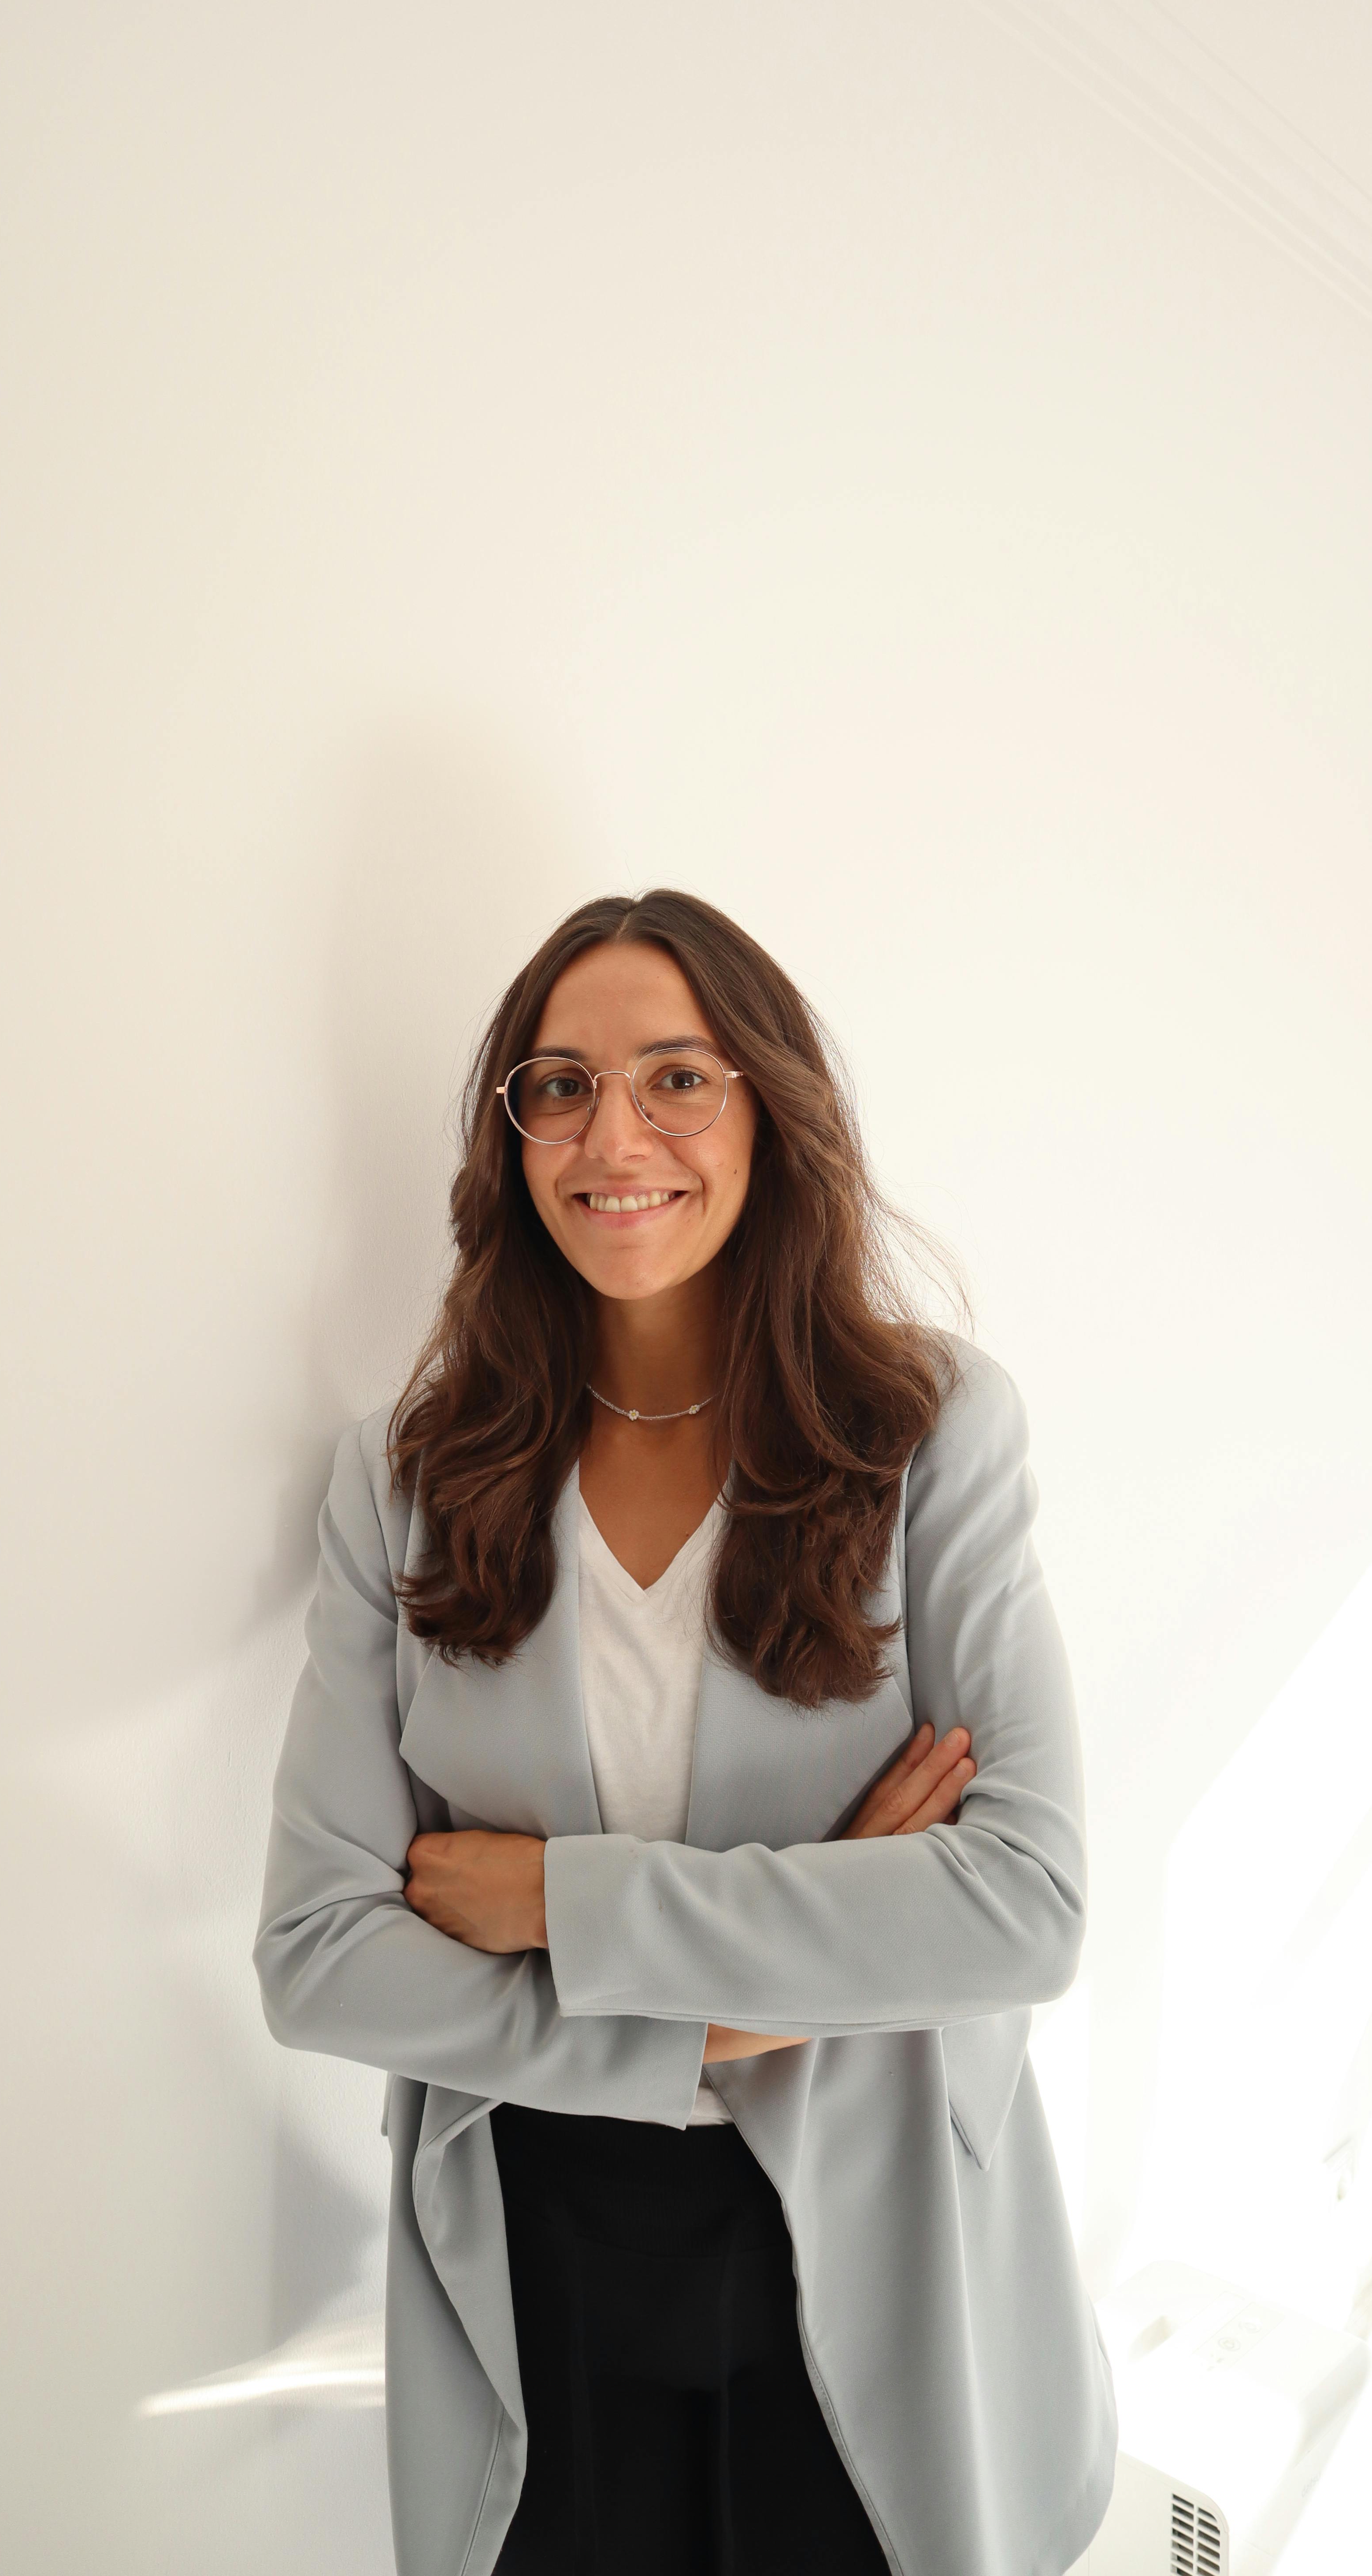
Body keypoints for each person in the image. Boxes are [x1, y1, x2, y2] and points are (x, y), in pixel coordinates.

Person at [253, 888, 1117, 2576]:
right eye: (560, 1087)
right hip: (539, 2244)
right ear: (511, 1137)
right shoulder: (407, 1479)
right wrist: (735, 2012)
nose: (614, 1137)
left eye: (676, 1079)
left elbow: (1026, 1906)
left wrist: (555, 1903)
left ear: (770, 1111)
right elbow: (318, 1956)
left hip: (884, 2232)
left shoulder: (928, 1434)